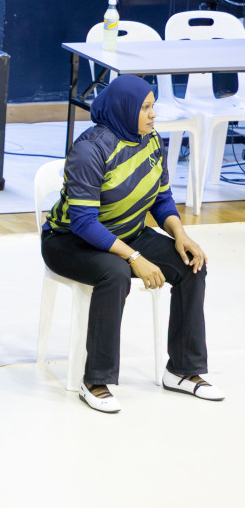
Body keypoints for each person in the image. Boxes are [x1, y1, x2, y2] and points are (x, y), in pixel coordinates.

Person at [41, 74, 220, 413]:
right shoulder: (90, 149)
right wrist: (134, 256)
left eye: (153, 107)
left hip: (127, 232)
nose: (153, 115)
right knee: (116, 273)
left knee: (192, 265)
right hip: (69, 241)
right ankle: (95, 380)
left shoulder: (151, 141)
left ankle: (182, 370)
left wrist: (180, 235)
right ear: (124, 109)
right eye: (146, 108)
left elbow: (161, 198)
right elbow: (82, 222)